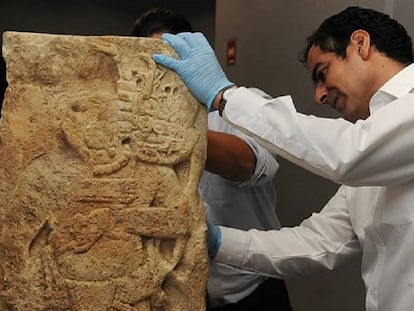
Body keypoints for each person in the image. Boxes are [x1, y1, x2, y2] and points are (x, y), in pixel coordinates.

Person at [152, 6, 414, 311]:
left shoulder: (371, 144)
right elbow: (315, 243)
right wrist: (216, 240)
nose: (319, 96)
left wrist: (226, 96)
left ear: (360, 44)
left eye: (323, 73)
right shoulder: (372, 165)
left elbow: (349, 153)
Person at [132, 7, 293, 311]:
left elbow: (251, 163)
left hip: (250, 289)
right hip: (182, 294)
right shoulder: (131, 126)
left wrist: (175, 136)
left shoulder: (240, 107)